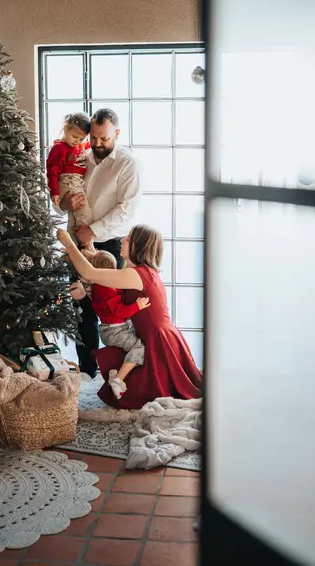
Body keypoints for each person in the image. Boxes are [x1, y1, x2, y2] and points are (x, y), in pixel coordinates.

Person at [57, 224, 202, 410]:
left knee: (152, 392)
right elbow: (102, 271)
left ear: (138, 246)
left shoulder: (135, 274)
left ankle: (119, 380)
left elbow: (90, 273)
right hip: (159, 335)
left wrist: (70, 244)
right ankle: (119, 379)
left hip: (158, 340)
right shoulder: (141, 271)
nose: (123, 240)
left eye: (128, 238)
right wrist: (89, 247)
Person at [56, 108, 142, 378]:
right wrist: (63, 203)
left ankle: (114, 370)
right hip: (77, 245)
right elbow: (62, 190)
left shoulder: (128, 163)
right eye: (93, 138)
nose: (97, 144)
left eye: (104, 139)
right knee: (79, 308)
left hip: (110, 246)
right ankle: (88, 370)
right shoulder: (80, 154)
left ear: (117, 133)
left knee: (110, 312)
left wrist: (92, 231)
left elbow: (126, 209)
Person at [68, 249, 150, 399]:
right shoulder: (106, 289)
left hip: (113, 328)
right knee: (140, 348)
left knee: (134, 345)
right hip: (114, 331)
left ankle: (117, 373)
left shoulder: (100, 286)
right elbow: (119, 311)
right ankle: (118, 379)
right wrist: (137, 306)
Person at [46, 113, 94, 250]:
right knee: (85, 213)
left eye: (81, 138)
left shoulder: (78, 146)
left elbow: (84, 146)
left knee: (72, 219)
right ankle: (89, 247)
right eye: (74, 136)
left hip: (76, 182)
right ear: (65, 128)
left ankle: (71, 248)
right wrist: (54, 192)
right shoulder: (59, 148)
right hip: (69, 182)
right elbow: (52, 172)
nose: (77, 141)